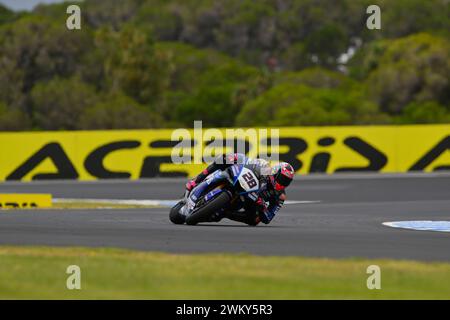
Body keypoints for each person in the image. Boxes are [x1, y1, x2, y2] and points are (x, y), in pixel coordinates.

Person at [185, 153, 295, 225]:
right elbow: (249, 162)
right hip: (238, 180)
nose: (283, 183)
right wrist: (236, 159)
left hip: (248, 201)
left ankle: (225, 213)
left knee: (255, 220)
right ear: (276, 172)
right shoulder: (265, 169)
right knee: (223, 159)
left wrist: (262, 206)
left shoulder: (280, 196)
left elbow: (268, 218)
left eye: (286, 181)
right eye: (282, 179)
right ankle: (196, 180)